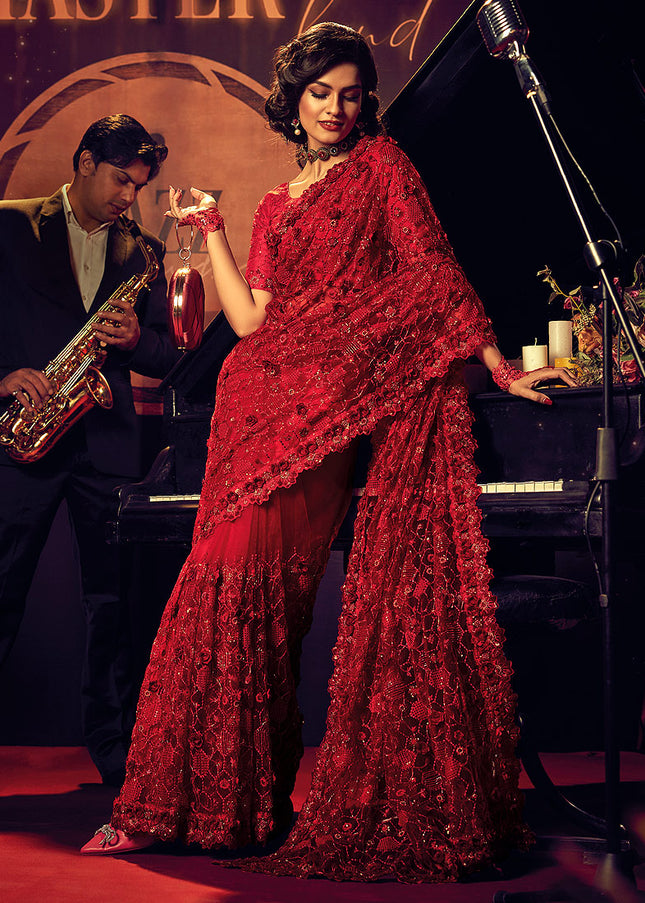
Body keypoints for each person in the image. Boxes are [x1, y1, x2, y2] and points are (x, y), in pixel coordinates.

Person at [80, 26, 575, 880]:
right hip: (251, 411)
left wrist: (495, 362)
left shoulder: (383, 168)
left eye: (351, 93)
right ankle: (192, 809)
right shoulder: (277, 203)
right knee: (212, 598)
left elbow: (431, 274)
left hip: (324, 417)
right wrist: (217, 233)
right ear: (294, 97)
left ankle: (227, 806)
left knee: (262, 608)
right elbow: (249, 322)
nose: (337, 109)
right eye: (321, 92)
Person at [0, 114, 180, 787]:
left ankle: (114, 752)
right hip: (21, 430)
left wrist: (137, 341)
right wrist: (3, 375)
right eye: (118, 179)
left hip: (104, 444)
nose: (128, 197)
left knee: (113, 605)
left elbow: (168, 357)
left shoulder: (143, 252)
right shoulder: (10, 223)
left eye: (137, 186)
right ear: (81, 162)